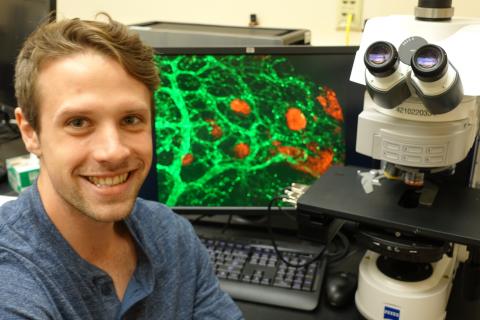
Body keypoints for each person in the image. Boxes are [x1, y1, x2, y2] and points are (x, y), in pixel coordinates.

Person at [0, 14, 244, 319]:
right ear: (30, 133)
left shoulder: (171, 236)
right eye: (78, 122)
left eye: (131, 120)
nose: (113, 151)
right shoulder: (12, 283)